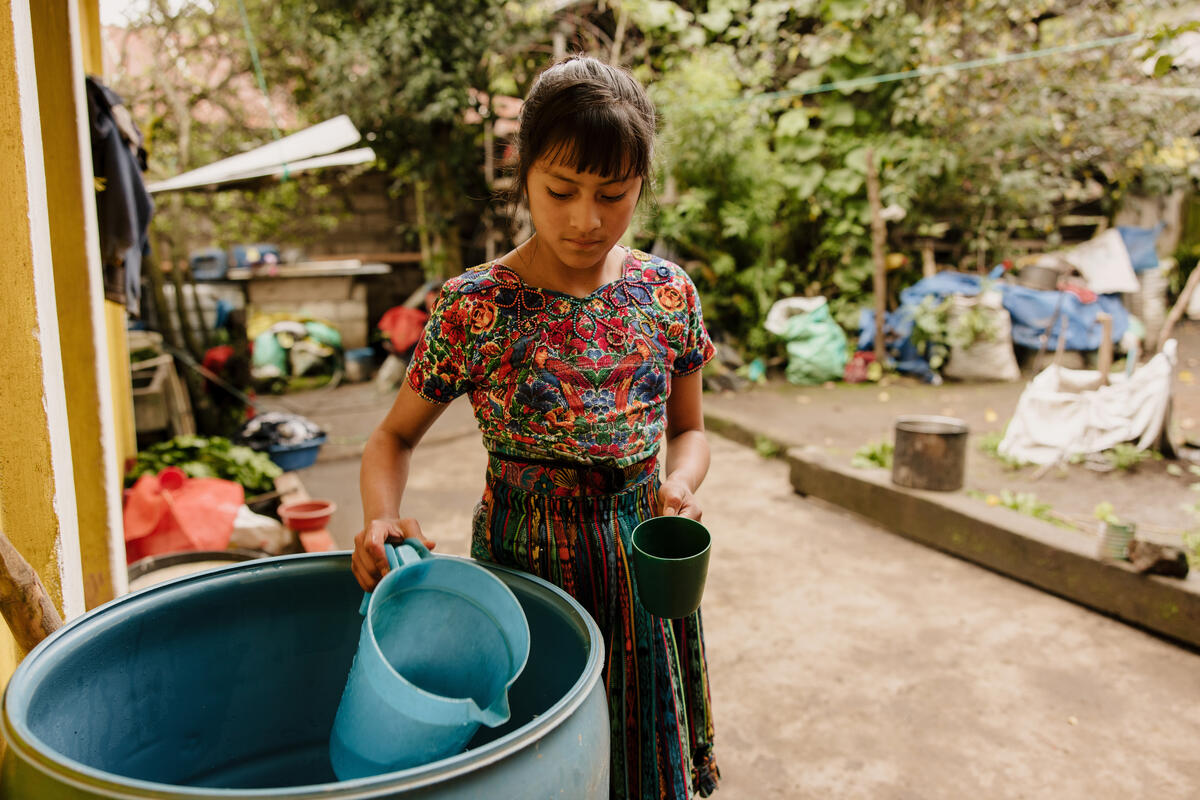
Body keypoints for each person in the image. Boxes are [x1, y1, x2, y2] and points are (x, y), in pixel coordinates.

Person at [353, 55, 719, 800]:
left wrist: (678, 482)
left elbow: (690, 430)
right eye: (561, 191)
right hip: (526, 571)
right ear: (523, 176)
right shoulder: (473, 306)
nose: (586, 219)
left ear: (641, 184)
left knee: (638, 764)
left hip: (641, 567)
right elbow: (393, 438)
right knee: (533, 765)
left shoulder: (666, 293)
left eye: (613, 195)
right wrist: (380, 518)